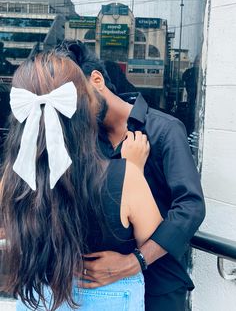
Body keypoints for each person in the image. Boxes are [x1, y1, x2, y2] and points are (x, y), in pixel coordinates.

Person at [0, 50, 164, 311]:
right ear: (85, 107)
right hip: (109, 298)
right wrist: (132, 170)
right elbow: (154, 238)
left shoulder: (12, 179)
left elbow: (7, 231)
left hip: (38, 299)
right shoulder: (126, 176)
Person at [56, 40, 206, 311]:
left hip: (159, 282)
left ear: (97, 80)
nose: (73, 110)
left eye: (75, 98)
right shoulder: (82, 141)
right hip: (100, 289)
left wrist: (134, 262)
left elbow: (191, 207)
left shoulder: (164, 130)